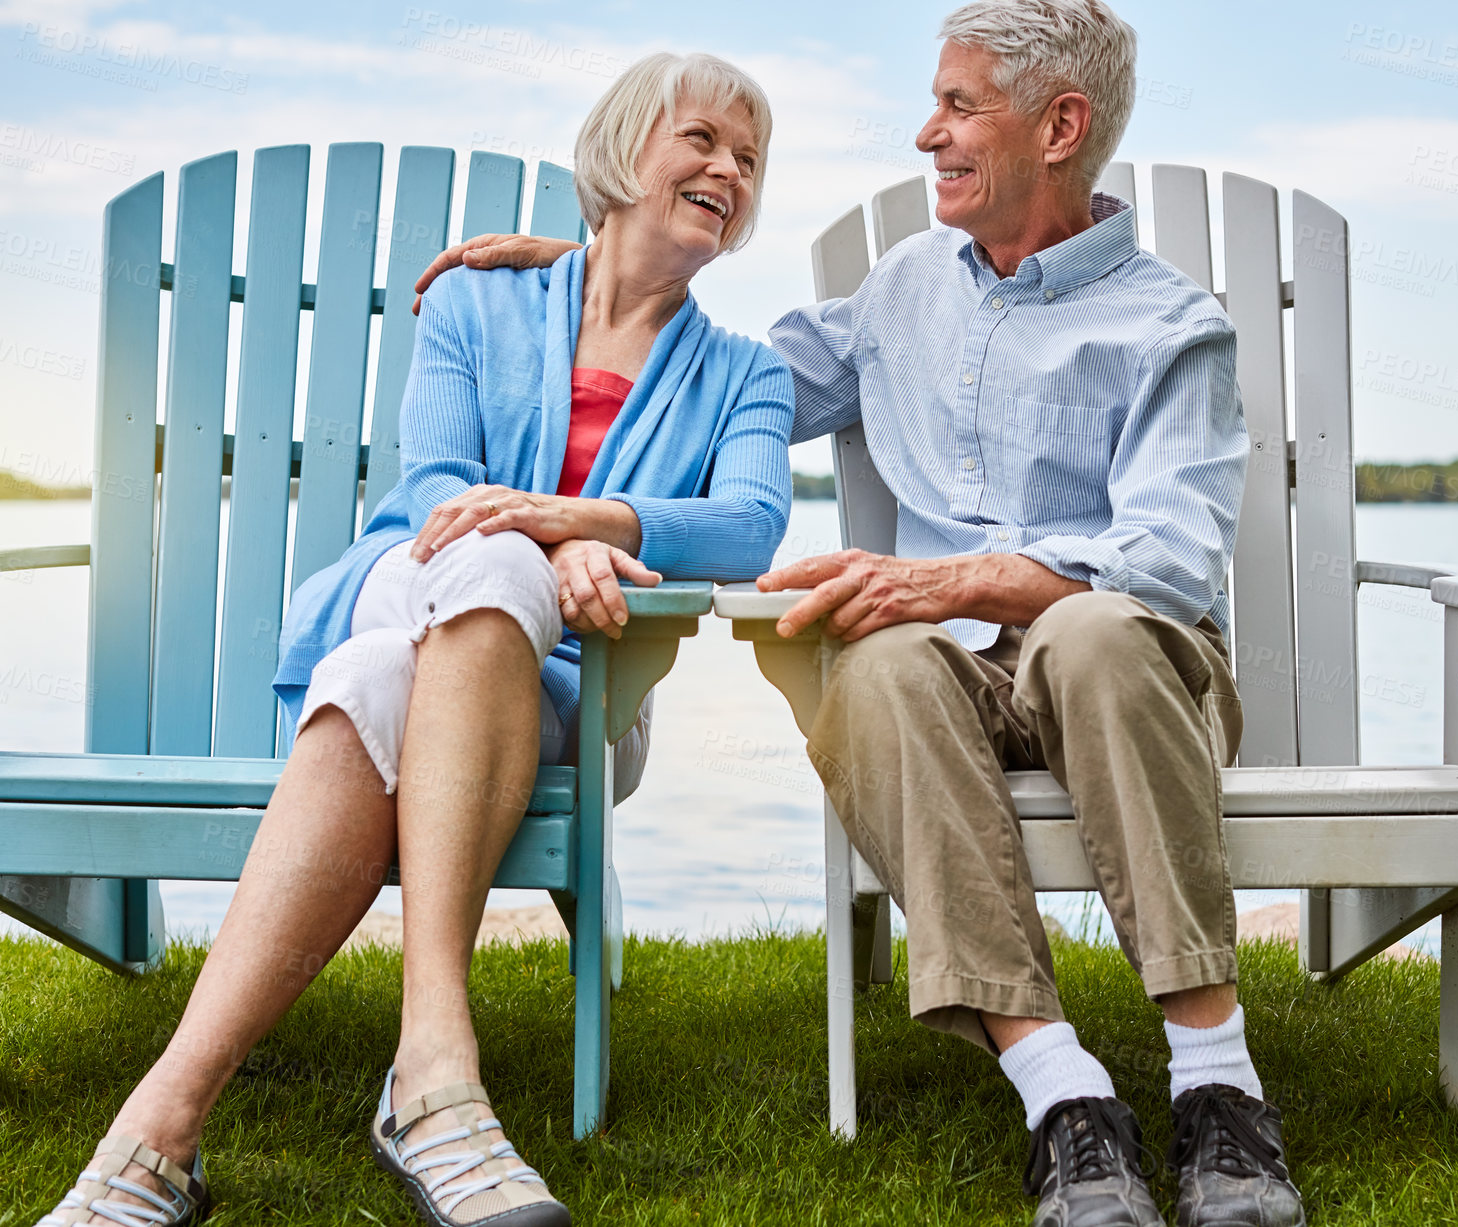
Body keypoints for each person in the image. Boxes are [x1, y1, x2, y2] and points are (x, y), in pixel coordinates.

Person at [412, 3, 1306, 1225]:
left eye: (958, 105)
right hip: (946, 688)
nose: (926, 132)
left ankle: (1217, 1090)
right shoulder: (900, 294)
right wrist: (587, 275)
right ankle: (1063, 1098)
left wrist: (949, 580)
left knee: (1084, 628)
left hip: (1127, 673)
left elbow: (1161, 566)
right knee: (873, 663)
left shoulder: (1169, 325)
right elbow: (729, 378)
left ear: (1059, 126)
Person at [33, 52, 791, 1227]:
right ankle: (432, 1073)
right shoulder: (479, 305)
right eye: (701, 140)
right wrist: (541, 553)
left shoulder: (748, 373)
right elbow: (440, 491)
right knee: (463, 576)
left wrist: (577, 522)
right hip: (412, 586)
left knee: (383, 670)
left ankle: (157, 1132)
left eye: (747, 158)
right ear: (624, 149)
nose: (727, 170)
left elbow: (747, 527)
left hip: (575, 698)